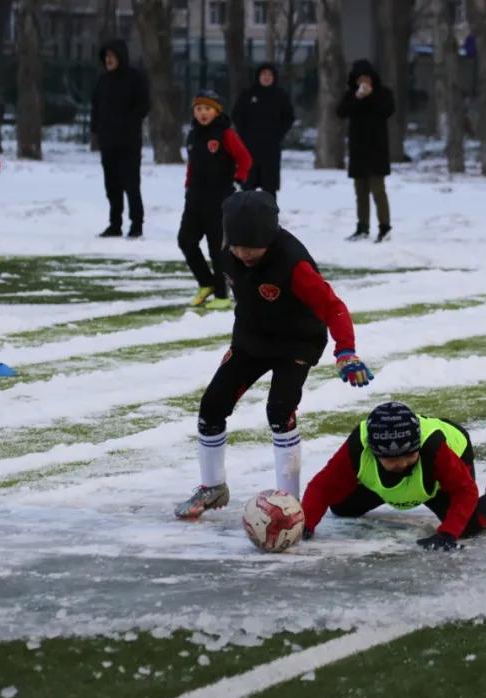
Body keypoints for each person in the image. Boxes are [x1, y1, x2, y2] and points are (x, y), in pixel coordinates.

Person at [174, 190, 373, 519]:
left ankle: (289, 503)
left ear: (269, 236)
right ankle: (212, 487)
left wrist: (346, 351)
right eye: (236, 245)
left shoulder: (294, 264)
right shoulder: (228, 254)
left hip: (296, 343)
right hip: (251, 340)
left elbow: (333, 307)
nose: (243, 253)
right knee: (212, 405)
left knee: (279, 410)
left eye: (251, 247)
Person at [300, 401, 486, 550]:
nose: (401, 464)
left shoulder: (434, 448)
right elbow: (322, 487)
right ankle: (389, 491)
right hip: (394, 482)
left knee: (467, 526)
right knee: (341, 506)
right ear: (374, 454)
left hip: (441, 473)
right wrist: (304, 525)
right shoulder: (358, 447)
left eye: (409, 455)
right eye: (391, 460)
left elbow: (464, 490)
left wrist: (447, 533)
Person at [178, 89, 252, 311]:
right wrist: (188, 184)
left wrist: (238, 180)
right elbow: (192, 164)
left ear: (216, 111)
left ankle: (222, 294)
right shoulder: (193, 134)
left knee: (216, 248)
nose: (202, 113)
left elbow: (245, 159)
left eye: (207, 109)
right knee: (186, 241)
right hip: (195, 198)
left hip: (219, 199)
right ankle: (206, 283)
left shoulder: (225, 134)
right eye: (199, 108)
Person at [90, 39, 150, 238]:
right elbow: (96, 105)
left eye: (112, 56)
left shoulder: (135, 78)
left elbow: (143, 105)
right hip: (108, 141)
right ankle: (115, 223)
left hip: (129, 142)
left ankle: (137, 223)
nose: (108, 60)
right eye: (106, 57)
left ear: (121, 57)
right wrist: (96, 128)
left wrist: (129, 122)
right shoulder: (102, 80)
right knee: (112, 185)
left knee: (131, 184)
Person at [337, 59, 394, 243]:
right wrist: (357, 98)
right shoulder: (351, 95)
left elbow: (387, 110)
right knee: (360, 192)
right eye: (360, 78)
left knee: (378, 190)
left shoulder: (383, 94)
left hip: (377, 150)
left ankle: (384, 227)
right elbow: (341, 112)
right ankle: (362, 226)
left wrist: (370, 97)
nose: (363, 82)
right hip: (358, 150)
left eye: (366, 78)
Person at [231, 64, 295, 198]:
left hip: (271, 147)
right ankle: (247, 215)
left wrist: (279, 134)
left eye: (269, 75)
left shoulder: (280, 95)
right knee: (248, 185)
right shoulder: (248, 94)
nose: (266, 77)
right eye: (263, 74)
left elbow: (289, 117)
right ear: (258, 76)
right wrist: (243, 134)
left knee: (269, 186)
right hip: (249, 146)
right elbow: (237, 114)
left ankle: (270, 215)